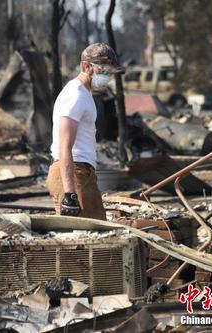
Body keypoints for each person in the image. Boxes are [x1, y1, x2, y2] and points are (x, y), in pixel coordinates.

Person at [47, 42, 124, 220]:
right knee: (83, 236)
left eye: (110, 72)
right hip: (72, 173)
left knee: (98, 229)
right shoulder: (75, 95)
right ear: (86, 66)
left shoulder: (85, 94)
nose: (107, 76)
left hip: (83, 172)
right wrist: (69, 194)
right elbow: (64, 147)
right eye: (103, 70)